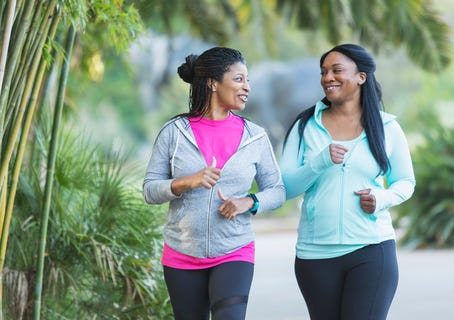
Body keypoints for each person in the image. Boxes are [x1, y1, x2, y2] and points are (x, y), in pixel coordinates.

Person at [143, 47, 285, 320]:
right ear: (212, 83)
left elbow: (277, 191)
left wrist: (249, 202)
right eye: (239, 79)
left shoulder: (255, 136)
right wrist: (186, 182)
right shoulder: (174, 133)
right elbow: (150, 190)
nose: (247, 87)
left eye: (248, 80)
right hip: (182, 253)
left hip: (234, 250)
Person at [280, 44, 415, 320]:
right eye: (324, 72)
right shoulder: (304, 126)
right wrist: (319, 161)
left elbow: (405, 181)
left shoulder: (388, 127)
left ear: (361, 77)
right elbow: (287, 187)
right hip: (315, 255)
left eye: (336, 70)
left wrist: (381, 198)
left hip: (372, 250)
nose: (327, 77)